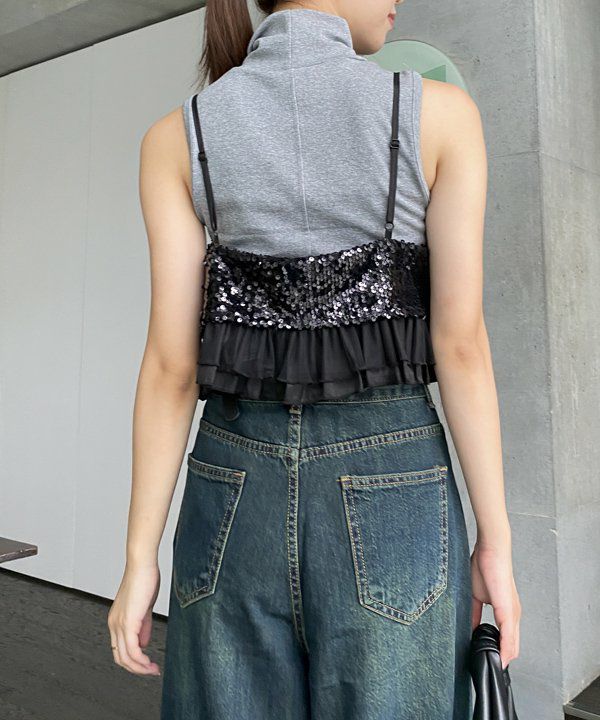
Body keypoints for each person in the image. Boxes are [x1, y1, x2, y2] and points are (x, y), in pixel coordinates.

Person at [108, 1, 522, 718]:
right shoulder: (442, 116)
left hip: (230, 488)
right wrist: (496, 543)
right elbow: (460, 345)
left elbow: (171, 367)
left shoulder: (176, 137)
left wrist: (138, 559)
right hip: (395, 484)